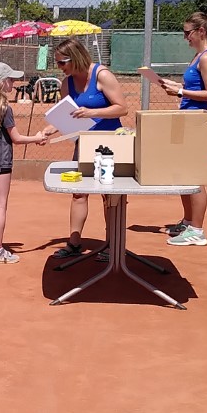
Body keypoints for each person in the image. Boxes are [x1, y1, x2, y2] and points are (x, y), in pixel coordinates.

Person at [49, 37, 130, 261]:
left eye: (62, 62)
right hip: (84, 142)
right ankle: (74, 243)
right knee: (78, 192)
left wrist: (92, 112)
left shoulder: (102, 75)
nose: (60, 67)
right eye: (57, 63)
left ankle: (112, 244)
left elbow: (122, 108)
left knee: (110, 195)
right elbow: (67, 115)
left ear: (75, 58)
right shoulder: (67, 83)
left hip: (110, 143)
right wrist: (49, 129)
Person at [156, 12, 207, 246]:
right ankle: (188, 221)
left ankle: (197, 230)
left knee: (194, 177)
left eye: (188, 33)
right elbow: (193, 87)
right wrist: (177, 87)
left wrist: (181, 91)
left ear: (201, 32)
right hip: (188, 119)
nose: (185, 37)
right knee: (184, 174)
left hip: (197, 122)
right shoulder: (198, 56)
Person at [0, 62, 48, 265]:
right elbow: (15, 138)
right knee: (0, 205)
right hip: (1, 160)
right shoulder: (5, 109)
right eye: (11, 79)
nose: (14, 82)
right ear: (2, 83)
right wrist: (37, 138)